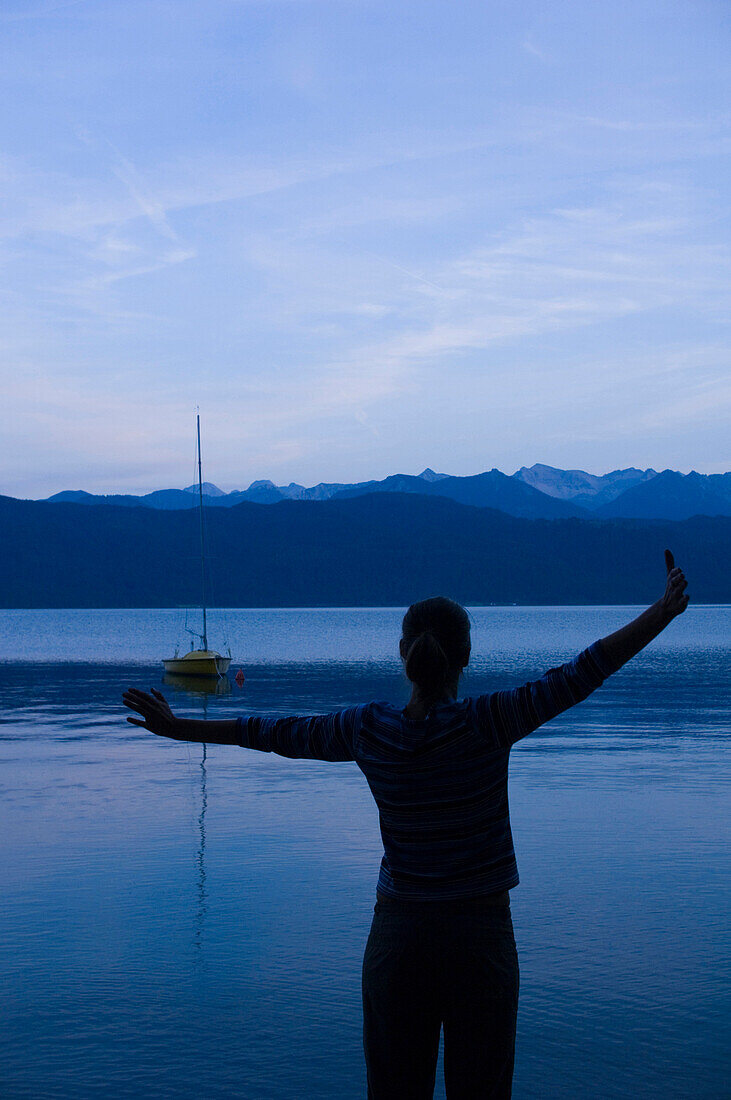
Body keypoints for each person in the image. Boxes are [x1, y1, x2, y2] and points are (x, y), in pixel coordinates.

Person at [123, 550, 689, 1099]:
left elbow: (274, 732)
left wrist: (183, 731)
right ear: (465, 657)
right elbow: (584, 671)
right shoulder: (490, 722)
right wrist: (659, 614)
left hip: (399, 940)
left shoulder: (370, 730)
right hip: (479, 938)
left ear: (403, 654)